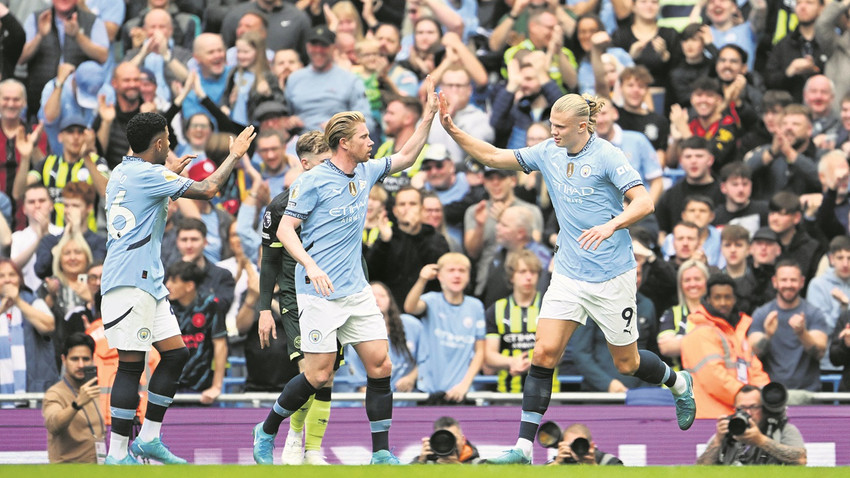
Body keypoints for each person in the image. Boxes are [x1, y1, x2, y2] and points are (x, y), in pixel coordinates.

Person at [439, 92, 696, 465]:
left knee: (628, 363)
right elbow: (495, 156)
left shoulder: (607, 154)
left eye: (559, 127)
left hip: (612, 275)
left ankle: (679, 383)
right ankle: (523, 449)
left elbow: (644, 202)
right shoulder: (548, 151)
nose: (552, 132)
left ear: (581, 126)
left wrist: (611, 225)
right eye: (551, 126)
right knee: (543, 353)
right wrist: (453, 130)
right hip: (569, 273)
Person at [252, 79, 439, 465]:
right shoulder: (313, 181)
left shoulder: (366, 172)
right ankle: (267, 428)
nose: (371, 142)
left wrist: (428, 116)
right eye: (365, 137)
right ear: (344, 144)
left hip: (355, 291)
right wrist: (311, 265)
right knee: (318, 376)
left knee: (381, 365)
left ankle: (382, 453)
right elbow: (286, 229)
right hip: (317, 292)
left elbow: (405, 156)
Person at [100, 112, 255, 464]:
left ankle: (150, 439)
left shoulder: (122, 172)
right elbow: (210, 189)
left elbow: (150, 206)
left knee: (175, 355)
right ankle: (117, 454)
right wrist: (235, 155)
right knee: (130, 365)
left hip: (148, 283)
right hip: (128, 282)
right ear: (158, 144)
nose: (170, 143)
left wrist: (174, 176)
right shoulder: (150, 174)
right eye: (167, 138)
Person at [254, 130, 335, 465]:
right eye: (324, 162)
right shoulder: (280, 207)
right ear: (305, 164)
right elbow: (270, 259)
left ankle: (312, 448)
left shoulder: (337, 199)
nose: (332, 167)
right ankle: (292, 437)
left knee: (326, 373)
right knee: (310, 369)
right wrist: (263, 309)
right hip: (295, 296)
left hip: (333, 294)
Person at [681, 274, 770, 419]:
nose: (723, 302)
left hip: (740, 414)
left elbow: (755, 370)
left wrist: (766, 395)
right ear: (708, 300)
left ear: (734, 299)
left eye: (727, 297)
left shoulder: (737, 333)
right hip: (710, 418)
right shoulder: (700, 332)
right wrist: (748, 399)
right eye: (717, 297)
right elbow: (713, 377)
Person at [404, 253, 486, 401]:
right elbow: (410, 307)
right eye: (451, 270)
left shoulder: (475, 306)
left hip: (460, 392)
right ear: (439, 276)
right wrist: (422, 280)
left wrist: (464, 385)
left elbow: (480, 351)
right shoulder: (431, 300)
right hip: (429, 390)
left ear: (468, 276)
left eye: (462, 271)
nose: (457, 275)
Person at [749, 260, 830, 392]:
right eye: (784, 280)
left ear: (802, 282)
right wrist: (767, 335)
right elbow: (752, 354)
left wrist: (802, 333)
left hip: (807, 392)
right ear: (775, 282)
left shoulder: (813, 313)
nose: (788, 284)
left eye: (793, 280)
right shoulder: (761, 314)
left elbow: (820, 352)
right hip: (771, 392)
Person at [696, 385, 807, 465]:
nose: (748, 413)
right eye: (742, 408)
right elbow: (700, 469)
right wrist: (718, 441)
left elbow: (801, 459)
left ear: (764, 408)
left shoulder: (783, 429)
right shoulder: (727, 431)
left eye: (753, 407)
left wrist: (761, 441)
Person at [164, 261, 226, 402]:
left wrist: (216, 386)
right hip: (167, 387)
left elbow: (220, 344)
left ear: (189, 286)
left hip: (201, 388)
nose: (167, 285)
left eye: (173, 281)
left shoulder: (210, 305)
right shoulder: (164, 306)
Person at [42, 332, 105, 463]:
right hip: (67, 470)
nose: (81, 365)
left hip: (97, 469)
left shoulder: (94, 390)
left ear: (92, 360)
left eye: (86, 359)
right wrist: (77, 404)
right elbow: (53, 425)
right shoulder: (54, 393)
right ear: (64, 360)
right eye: (75, 359)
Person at [0, 258, 57, 394]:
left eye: (12, 275)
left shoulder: (33, 300)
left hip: (34, 388)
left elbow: (48, 326)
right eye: (1, 276)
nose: (7, 280)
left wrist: (18, 302)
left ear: (20, 279)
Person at [415, 416, 482, 464]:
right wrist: (420, 463)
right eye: (442, 440)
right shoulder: (426, 464)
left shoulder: (478, 465)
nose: (448, 444)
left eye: (453, 439)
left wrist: (459, 470)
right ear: (433, 441)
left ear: (463, 440)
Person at [548, 423, 623, 465]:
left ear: (591, 446)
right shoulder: (558, 463)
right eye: (571, 445)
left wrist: (593, 467)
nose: (576, 448)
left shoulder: (607, 461)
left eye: (580, 444)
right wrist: (557, 464)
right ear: (562, 445)